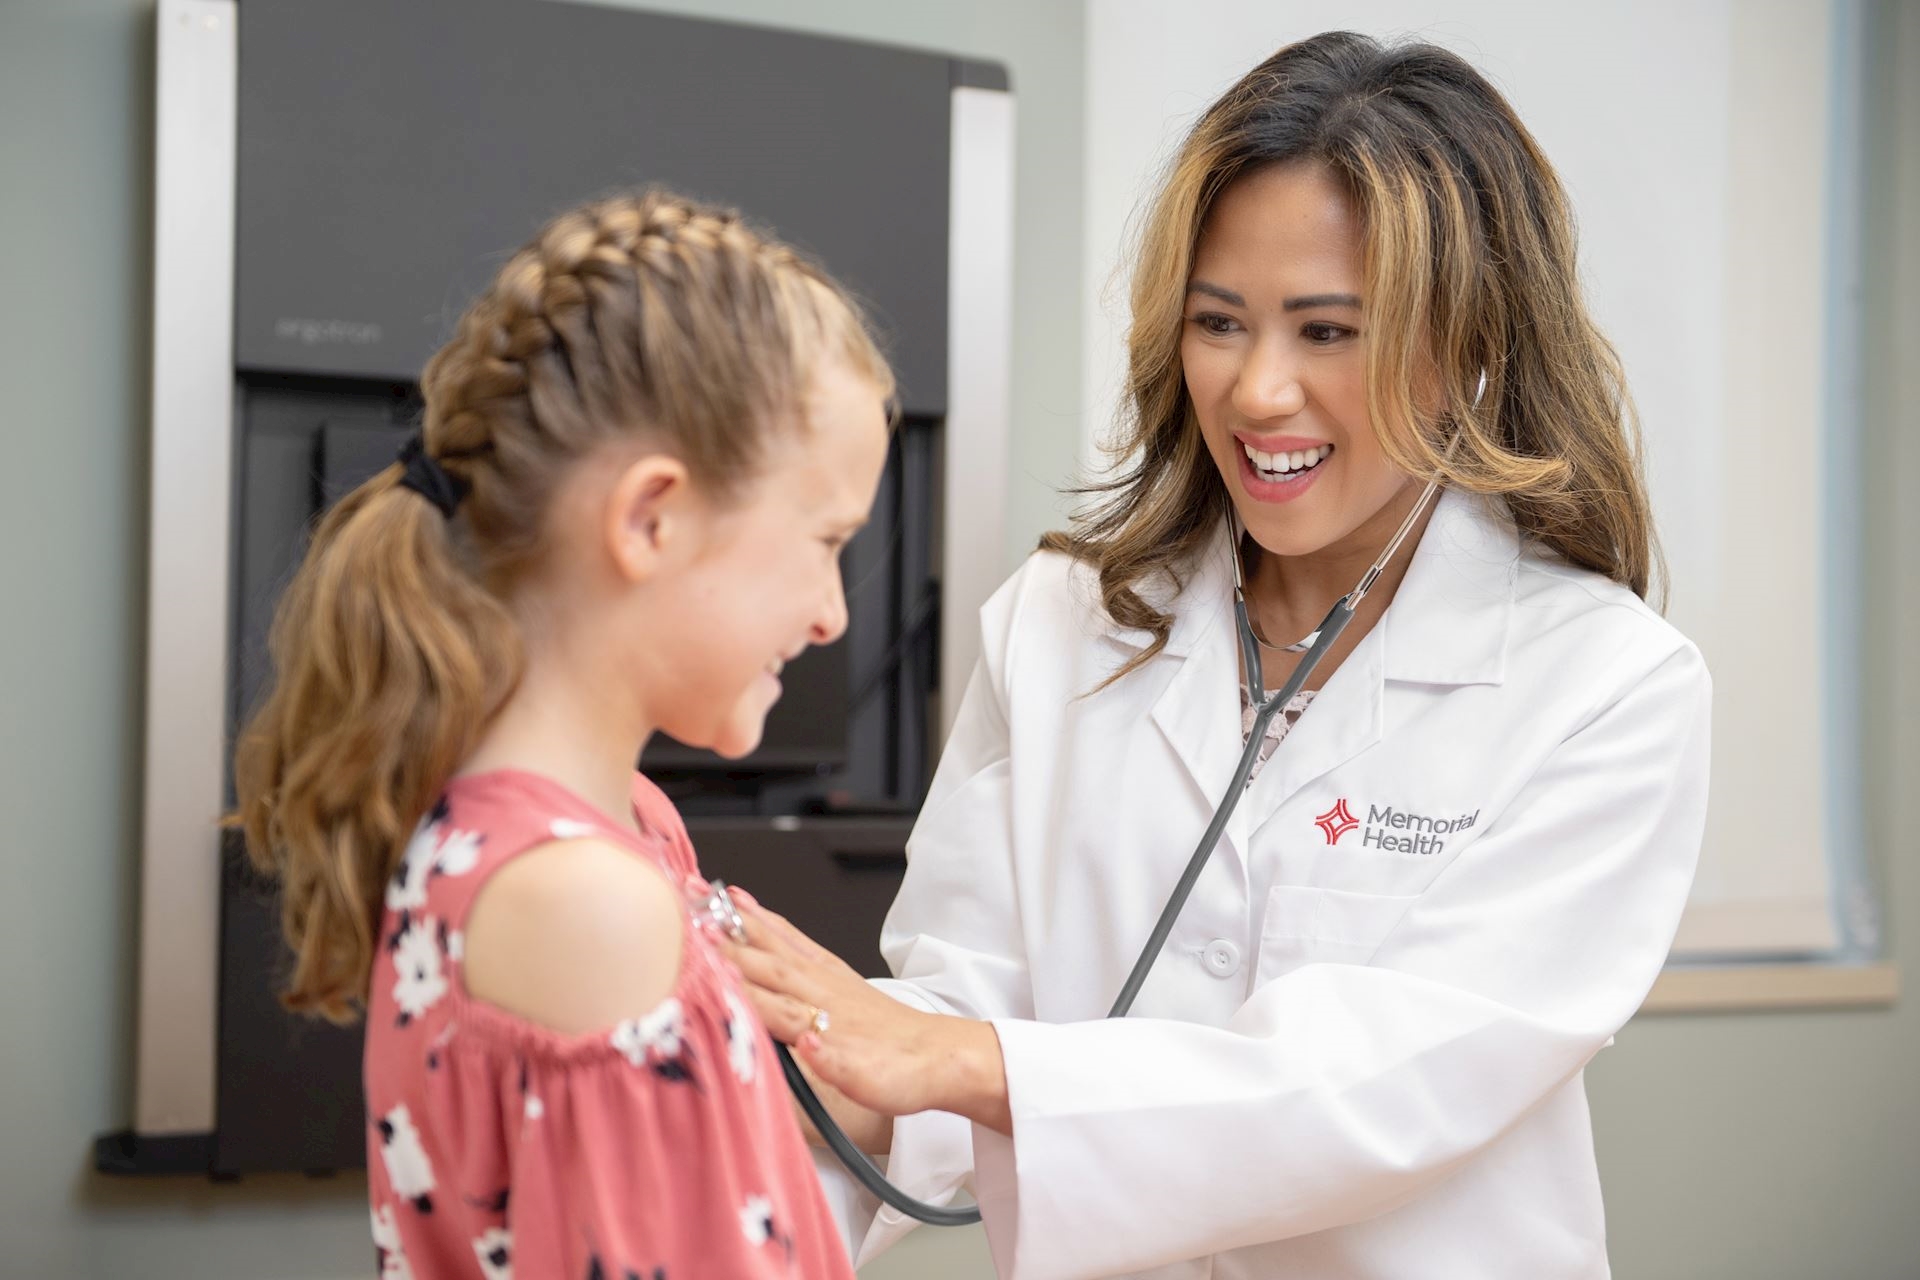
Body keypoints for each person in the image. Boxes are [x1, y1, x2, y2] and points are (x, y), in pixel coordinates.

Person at [724, 30, 1713, 1280]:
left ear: (1470, 344)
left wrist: (961, 1060)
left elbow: (1378, 1083)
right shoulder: (1059, 618)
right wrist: (743, 1161)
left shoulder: (1606, 685)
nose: (1257, 391)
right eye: (1220, 322)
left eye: (1328, 331)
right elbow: (937, 1019)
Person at [233, 191, 892, 1279]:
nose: (833, 613)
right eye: (824, 541)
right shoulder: (577, 900)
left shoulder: (629, 826)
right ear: (651, 519)